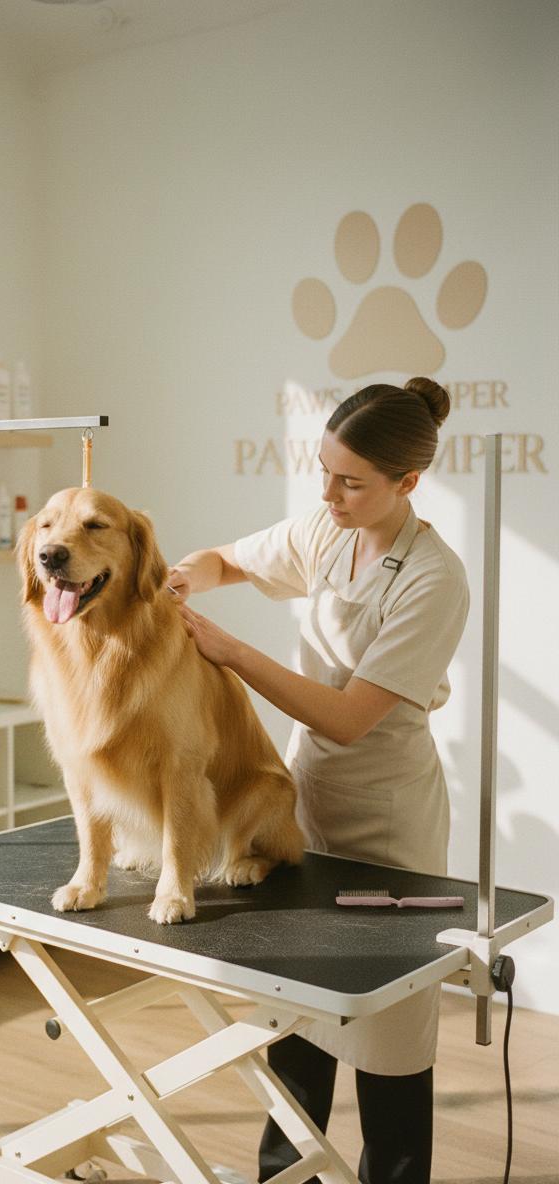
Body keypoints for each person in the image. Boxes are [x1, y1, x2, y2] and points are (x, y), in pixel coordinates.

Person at [168, 377, 469, 1184]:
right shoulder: (326, 530)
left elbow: (347, 716)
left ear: (408, 483)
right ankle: (282, 1176)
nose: (328, 493)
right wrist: (177, 580)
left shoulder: (434, 579)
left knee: (388, 1040)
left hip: (390, 822)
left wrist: (231, 651)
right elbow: (228, 558)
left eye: (351, 481)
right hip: (303, 800)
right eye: (324, 471)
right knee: (293, 1016)